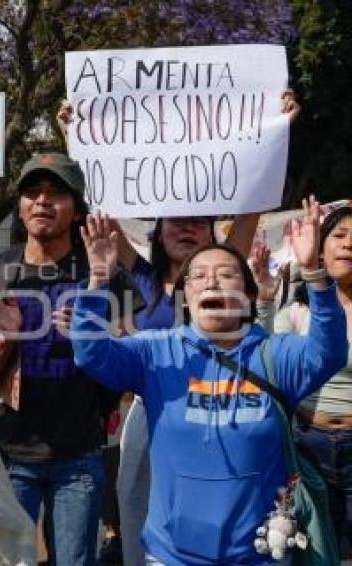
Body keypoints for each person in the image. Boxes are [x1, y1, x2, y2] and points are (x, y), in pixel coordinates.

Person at [57, 92, 300, 566]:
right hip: (155, 413)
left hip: (227, 413)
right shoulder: (140, 274)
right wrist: (78, 140)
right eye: (176, 220)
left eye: (198, 221)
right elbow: (104, 199)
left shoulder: (226, 274)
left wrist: (280, 128)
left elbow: (251, 206)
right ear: (158, 228)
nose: (186, 228)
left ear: (215, 237)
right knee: (134, 503)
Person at [71, 199, 348, 564]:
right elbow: (90, 354)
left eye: (226, 274)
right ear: (187, 296)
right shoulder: (155, 353)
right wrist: (97, 281)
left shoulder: (276, 356)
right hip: (171, 556)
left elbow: (327, 352)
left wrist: (314, 272)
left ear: (248, 294)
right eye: (198, 276)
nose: (211, 280)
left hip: (259, 556)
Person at [0, 153, 135, 566]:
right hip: (4, 455)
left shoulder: (105, 271)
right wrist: (5, 341)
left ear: (77, 209)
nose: (42, 201)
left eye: (56, 193)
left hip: (78, 456)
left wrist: (91, 330)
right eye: (32, 192)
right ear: (20, 206)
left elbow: (132, 364)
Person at [274, 205, 352, 552]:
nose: (349, 245)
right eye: (339, 235)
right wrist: (262, 297)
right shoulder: (296, 312)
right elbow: (270, 363)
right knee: (316, 547)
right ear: (319, 248)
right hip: (306, 444)